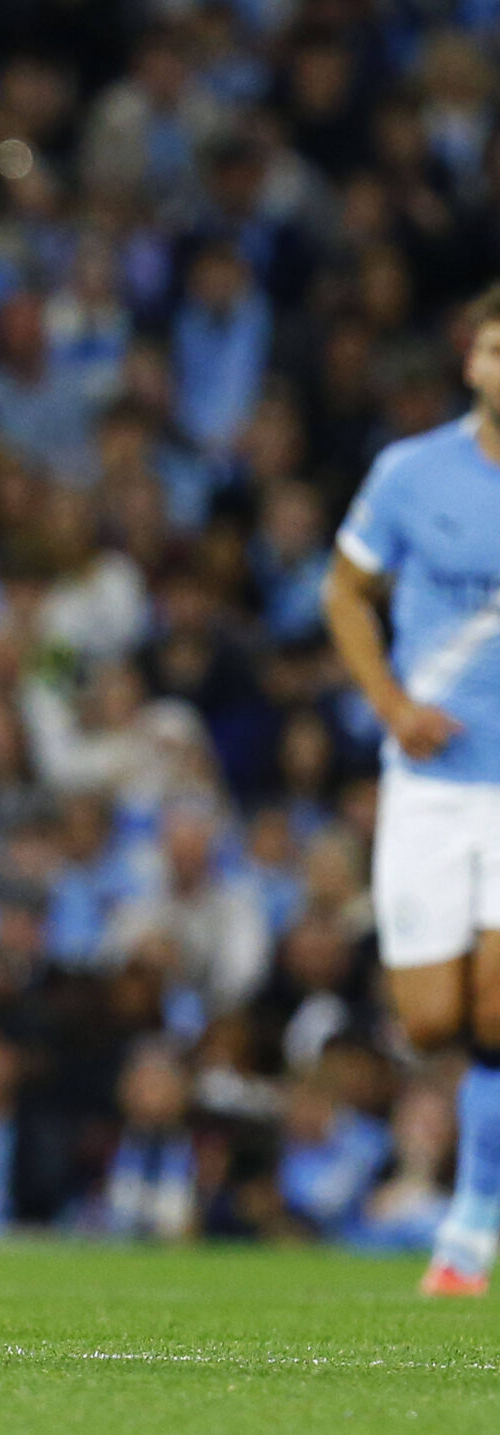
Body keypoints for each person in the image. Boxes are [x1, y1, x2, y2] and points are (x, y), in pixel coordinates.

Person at [321, 289, 500, 1296]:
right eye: (493, 348)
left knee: (496, 1014)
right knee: (434, 1020)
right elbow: (343, 588)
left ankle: (467, 1232)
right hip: (429, 779)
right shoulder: (409, 473)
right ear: (469, 362)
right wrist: (390, 705)